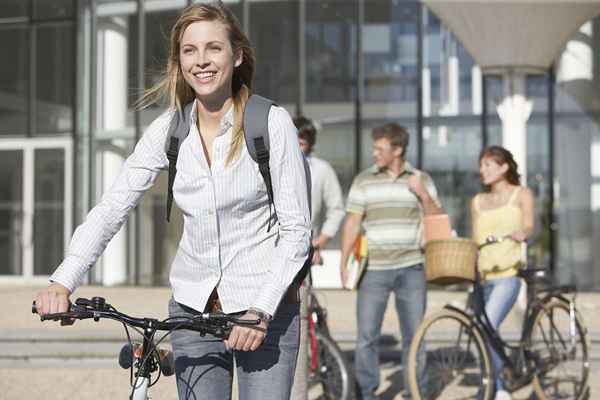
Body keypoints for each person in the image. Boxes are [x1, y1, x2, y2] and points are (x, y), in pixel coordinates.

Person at [34, 3, 311, 399]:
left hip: (264, 307)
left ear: (236, 56)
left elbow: (297, 230)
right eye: (189, 50)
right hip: (191, 306)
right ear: (179, 60)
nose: (201, 61)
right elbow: (114, 206)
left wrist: (261, 311)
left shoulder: (270, 123)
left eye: (213, 48)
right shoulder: (169, 129)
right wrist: (62, 281)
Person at [339, 123, 442, 400]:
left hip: (412, 267)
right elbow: (352, 222)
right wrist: (344, 259)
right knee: (367, 337)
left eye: (379, 149)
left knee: (415, 337)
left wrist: (422, 193)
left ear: (397, 150)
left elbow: (437, 219)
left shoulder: (421, 178)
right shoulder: (364, 180)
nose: (374, 154)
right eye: (374, 148)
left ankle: (414, 391)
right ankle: (367, 393)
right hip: (373, 270)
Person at [471, 146, 534, 400]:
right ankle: (499, 381)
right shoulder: (476, 201)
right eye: (481, 165)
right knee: (484, 333)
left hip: (508, 276)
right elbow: (475, 241)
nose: (482, 170)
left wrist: (523, 233)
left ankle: (494, 389)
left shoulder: (521, 194)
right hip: (482, 278)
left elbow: (529, 225)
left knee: (488, 326)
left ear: (504, 167)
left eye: (488, 165)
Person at [291, 116, 345, 400]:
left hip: (305, 248)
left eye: (303, 139)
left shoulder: (321, 170)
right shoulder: (273, 161)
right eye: (295, 138)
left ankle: (328, 380)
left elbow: (337, 208)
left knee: (309, 315)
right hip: (274, 247)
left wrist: (320, 242)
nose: (299, 144)